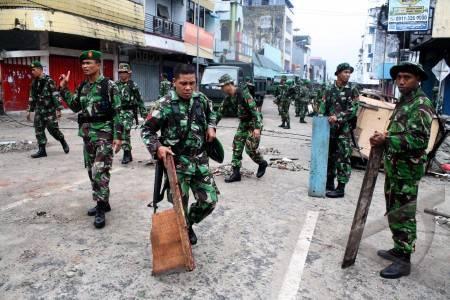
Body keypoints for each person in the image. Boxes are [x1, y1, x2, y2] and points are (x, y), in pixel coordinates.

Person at [370, 62, 434, 279]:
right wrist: (386, 138)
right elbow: (399, 133)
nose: (401, 81)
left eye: (406, 77)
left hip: (407, 171)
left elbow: (418, 140)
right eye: (398, 78)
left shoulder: (421, 104)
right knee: (394, 210)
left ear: (418, 79)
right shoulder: (404, 102)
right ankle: (398, 248)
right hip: (395, 168)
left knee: (404, 214)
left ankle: (404, 260)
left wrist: (387, 139)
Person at [141, 64, 218, 245]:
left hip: (200, 161)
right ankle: (183, 229)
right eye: (183, 83)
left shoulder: (201, 100)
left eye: (192, 83)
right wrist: (158, 147)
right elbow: (146, 130)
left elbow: (212, 112)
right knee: (179, 205)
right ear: (174, 82)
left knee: (210, 201)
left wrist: (211, 126)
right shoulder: (164, 104)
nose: (188, 87)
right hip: (177, 164)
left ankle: (187, 224)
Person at [59, 50, 124, 229]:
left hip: (104, 134)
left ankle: (101, 208)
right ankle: (104, 201)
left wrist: (119, 136)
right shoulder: (83, 87)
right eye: (83, 64)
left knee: (99, 170)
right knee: (91, 171)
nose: (85, 67)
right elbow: (74, 106)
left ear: (98, 64)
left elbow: (119, 112)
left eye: (89, 63)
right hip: (87, 135)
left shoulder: (109, 85)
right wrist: (64, 88)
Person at [217, 74, 268, 183]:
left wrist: (257, 128)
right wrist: (211, 127)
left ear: (228, 84)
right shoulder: (228, 98)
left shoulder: (243, 94)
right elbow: (219, 113)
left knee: (250, 149)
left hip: (254, 123)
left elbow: (255, 111)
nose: (221, 89)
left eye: (222, 86)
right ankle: (236, 173)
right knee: (237, 146)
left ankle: (262, 163)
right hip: (244, 124)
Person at [320, 63, 359, 198]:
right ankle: (329, 183)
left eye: (349, 72)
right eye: (345, 72)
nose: (348, 75)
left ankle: (340, 188)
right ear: (338, 73)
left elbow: (354, 109)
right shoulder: (329, 89)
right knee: (329, 156)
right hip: (329, 130)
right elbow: (323, 106)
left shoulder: (352, 89)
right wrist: (320, 121)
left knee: (343, 158)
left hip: (344, 131)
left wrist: (338, 117)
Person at [27, 61, 69, 158]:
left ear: (40, 69)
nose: (32, 72)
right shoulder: (34, 82)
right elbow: (32, 96)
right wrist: (29, 110)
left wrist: (58, 109)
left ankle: (62, 141)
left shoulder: (49, 80)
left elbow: (55, 94)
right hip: (39, 110)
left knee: (53, 130)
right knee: (38, 130)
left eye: (33, 70)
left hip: (49, 111)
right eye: (31, 70)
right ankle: (42, 150)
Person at [115, 63, 147, 164]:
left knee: (125, 133)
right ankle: (128, 153)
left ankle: (126, 154)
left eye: (124, 72)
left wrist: (144, 114)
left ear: (129, 74)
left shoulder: (133, 85)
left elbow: (140, 100)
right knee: (118, 133)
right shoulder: (115, 85)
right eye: (120, 72)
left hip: (128, 112)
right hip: (118, 112)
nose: (122, 74)